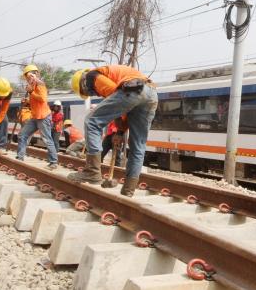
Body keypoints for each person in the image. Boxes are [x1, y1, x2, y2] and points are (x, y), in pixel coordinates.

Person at [67, 65, 157, 197]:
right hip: (151, 94)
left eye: (88, 92)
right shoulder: (109, 74)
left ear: (83, 83)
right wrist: (120, 132)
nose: (94, 94)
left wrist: (119, 127)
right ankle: (128, 190)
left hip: (133, 89)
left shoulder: (92, 76)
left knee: (91, 121)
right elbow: (122, 106)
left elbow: (114, 95)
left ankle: (92, 171)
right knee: (138, 145)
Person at [16, 64, 58, 169]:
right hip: (35, 117)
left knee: (47, 139)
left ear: (36, 74)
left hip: (43, 116)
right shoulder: (33, 86)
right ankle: (20, 157)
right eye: (27, 77)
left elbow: (42, 99)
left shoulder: (40, 84)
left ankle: (53, 162)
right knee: (22, 135)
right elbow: (35, 101)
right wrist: (26, 101)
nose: (29, 78)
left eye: (30, 76)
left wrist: (31, 92)